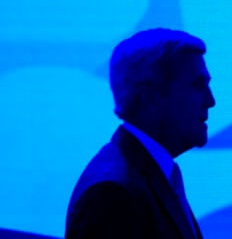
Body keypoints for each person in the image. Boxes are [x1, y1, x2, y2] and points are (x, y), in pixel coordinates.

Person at [65, 28, 216, 239]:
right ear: (149, 96)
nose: (211, 100)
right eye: (197, 85)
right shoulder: (111, 193)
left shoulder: (147, 175)